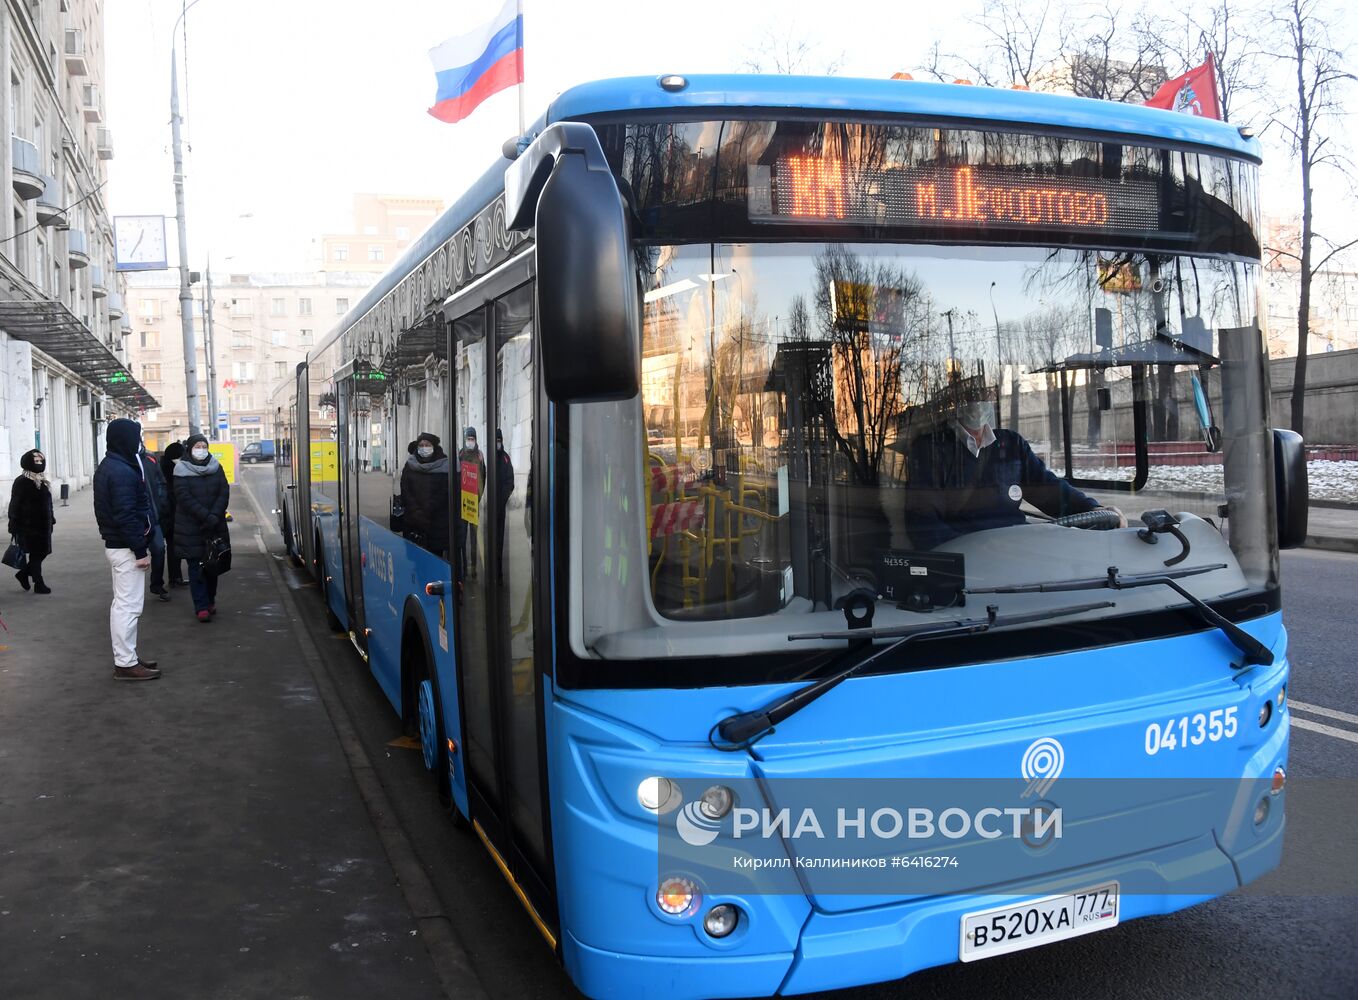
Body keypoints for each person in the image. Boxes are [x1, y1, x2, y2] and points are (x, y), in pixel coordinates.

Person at [905, 399, 1124, 551]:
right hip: (967, 560)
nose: (978, 402)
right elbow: (923, 523)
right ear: (957, 401)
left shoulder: (1010, 443)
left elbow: (1046, 488)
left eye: (983, 395)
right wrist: (974, 549)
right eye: (971, 396)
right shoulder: (931, 449)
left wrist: (1092, 509)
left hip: (1018, 549)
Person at [93, 418, 160, 681]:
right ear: (124, 439)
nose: (139, 442)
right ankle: (125, 663)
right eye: (136, 436)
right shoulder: (120, 471)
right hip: (126, 548)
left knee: (125, 605)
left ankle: (128, 656)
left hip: (121, 546)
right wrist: (140, 551)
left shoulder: (114, 465)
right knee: (127, 607)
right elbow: (126, 515)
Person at [173, 434, 230, 623]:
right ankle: (201, 606)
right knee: (196, 568)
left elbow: (224, 491)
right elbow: (184, 497)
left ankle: (210, 600)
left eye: (204, 446)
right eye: (197, 446)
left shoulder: (216, 466)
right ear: (189, 448)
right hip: (192, 527)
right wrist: (206, 516)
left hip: (214, 526)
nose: (201, 449)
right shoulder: (180, 470)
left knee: (213, 566)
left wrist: (214, 515)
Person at [8, 449, 55, 594]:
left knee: (42, 552)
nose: (39, 463)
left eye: (41, 461)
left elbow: (49, 503)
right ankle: (38, 583)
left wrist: (51, 519)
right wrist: (13, 523)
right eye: (36, 461)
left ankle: (23, 574)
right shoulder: (21, 481)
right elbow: (14, 504)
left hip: (44, 525)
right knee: (36, 554)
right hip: (27, 526)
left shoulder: (42, 481)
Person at [400, 432, 451, 557]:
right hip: (414, 523)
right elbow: (405, 489)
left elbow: (444, 492)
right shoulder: (410, 464)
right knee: (415, 562)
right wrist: (416, 511)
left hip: (436, 525)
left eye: (427, 445)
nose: (424, 448)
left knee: (435, 561)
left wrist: (427, 508)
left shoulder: (444, 465)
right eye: (421, 445)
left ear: (434, 446)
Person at [140, 446, 172, 602]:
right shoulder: (124, 462)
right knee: (134, 556)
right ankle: (134, 590)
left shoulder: (150, 459)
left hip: (154, 516)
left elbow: (161, 482)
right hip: (135, 520)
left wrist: (161, 503)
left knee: (159, 549)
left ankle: (157, 585)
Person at [458, 426, 486, 577]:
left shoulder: (480, 456)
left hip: (474, 502)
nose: (470, 441)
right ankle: (463, 566)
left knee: (474, 537)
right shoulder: (460, 454)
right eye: (468, 439)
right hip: (463, 503)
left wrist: (478, 497)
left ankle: (474, 567)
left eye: (472, 439)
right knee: (462, 537)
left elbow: (483, 478)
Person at [160, 441, 187, 587]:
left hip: (169, 514)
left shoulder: (166, 465)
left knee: (172, 547)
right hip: (170, 515)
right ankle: (174, 579)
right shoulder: (171, 470)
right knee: (173, 547)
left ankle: (175, 578)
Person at [493, 428, 515, 577]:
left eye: (499, 441)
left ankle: (498, 571)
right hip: (487, 508)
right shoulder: (487, 456)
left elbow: (510, 483)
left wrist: (500, 500)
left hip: (499, 507)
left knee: (499, 540)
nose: (497, 444)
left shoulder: (505, 459)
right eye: (495, 441)